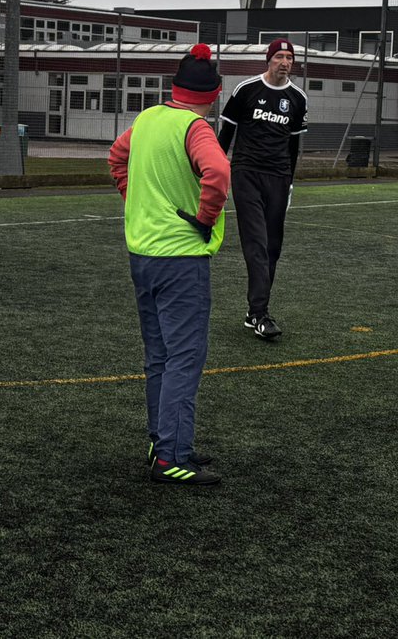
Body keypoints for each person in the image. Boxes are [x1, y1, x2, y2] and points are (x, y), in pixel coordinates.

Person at [108, 44, 231, 487]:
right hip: (181, 257)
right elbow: (219, 174)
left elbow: (116, 157)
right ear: (214, 94)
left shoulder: (147, 118)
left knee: (159, 356)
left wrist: (135, 201)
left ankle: (163, 442)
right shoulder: (196, 128)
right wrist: (205, 218)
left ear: (174, 88)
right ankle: (172, 456)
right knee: (184, 357)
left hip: (143, 254)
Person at [217, 38, 307, 341]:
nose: (285, 62)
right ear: (269, 60)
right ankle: (260, 313)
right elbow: (225, 135)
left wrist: (290, 182)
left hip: (278, 178)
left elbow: (293, 145)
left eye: (289, 57)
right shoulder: (246, 90)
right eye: (279, 56)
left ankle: (253, 311)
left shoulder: (298, 98)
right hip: (246, 174)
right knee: (256, 242)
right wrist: (213, 169)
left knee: (272, 247)